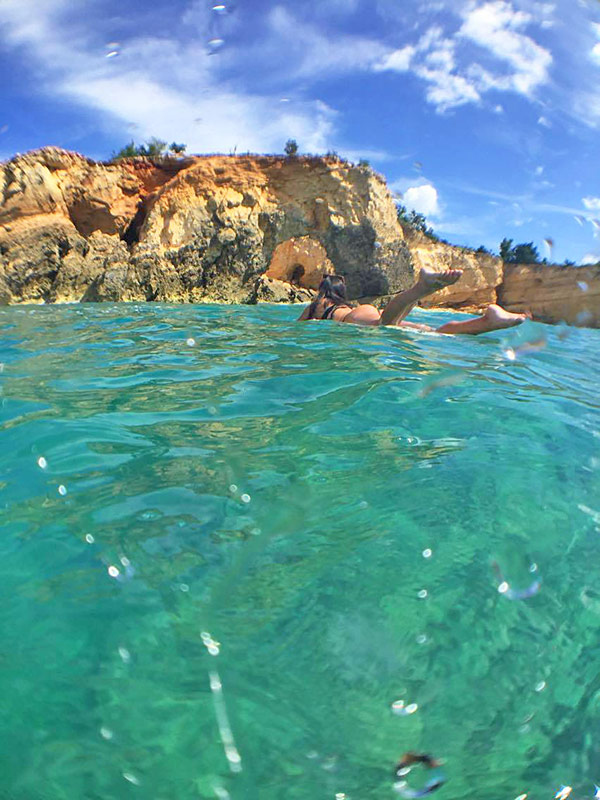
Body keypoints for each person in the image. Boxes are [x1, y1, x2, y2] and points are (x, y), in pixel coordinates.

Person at [297, 268, 529, 334]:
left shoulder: (315, 306)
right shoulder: (343, 304)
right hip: (361, 312)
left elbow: (296, 329)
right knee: (434, 332)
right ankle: (488, 321)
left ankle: (420, 289)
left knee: (383, 325)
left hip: (354, 319)